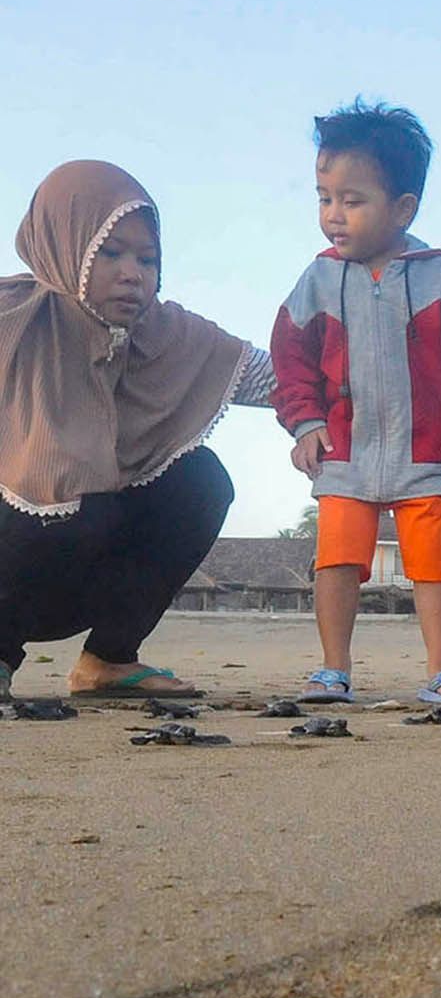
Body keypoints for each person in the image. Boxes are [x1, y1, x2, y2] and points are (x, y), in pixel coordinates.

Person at [270, 101, 441, 705]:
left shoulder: (437, 275)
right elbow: (290, 360)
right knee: (337, 560)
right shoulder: (318, 280)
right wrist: (304, 423)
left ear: (403, 208)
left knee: (432, 564)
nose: (334, 216)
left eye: (352, 201)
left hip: (427, 447)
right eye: (324, 198)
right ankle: (333, 668)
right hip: (345, 448)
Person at [0, 160, 275, 701]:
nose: (132, 272)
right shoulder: (12, 319)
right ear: (65, 244)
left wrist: (355, 394)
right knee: (67, 483)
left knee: (202, 481)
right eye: (110, 252)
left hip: (78, 568)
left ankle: (108, 659)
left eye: (146, 258)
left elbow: (273, 379)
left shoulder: (164, 332)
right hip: (10, 546)